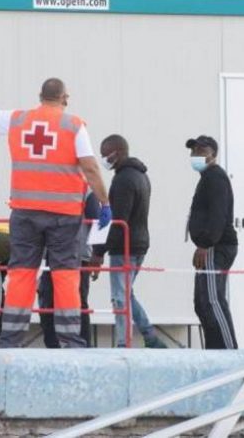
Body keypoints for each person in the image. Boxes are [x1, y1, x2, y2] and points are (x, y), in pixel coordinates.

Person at [0, 77, 111, 348]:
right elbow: (90, 167)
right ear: (65, 98)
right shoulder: (73, 125)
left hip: (25, 212)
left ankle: (9, 339)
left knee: (21, 273)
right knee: (65, 274)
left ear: (40, 96)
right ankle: (71, 340)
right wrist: (104, 202)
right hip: (63, 215)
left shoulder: (19, 119)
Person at [91, 134, 166, 348]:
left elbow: (117, 220)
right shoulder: (141, 176)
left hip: (124, 246)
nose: (104, 159)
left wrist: (98, 252)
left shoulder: (124, 179)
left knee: (119, 298)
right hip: (139, 243)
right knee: (126, 293)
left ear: (118, 152)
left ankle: (124, 344)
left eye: (106, 154)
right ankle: (150, 336)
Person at [186, 135, 238, 350]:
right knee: (202, 303)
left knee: (212, 300)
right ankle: (214, 349)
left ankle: (228, 351)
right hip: (210, 245)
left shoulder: (215, 177)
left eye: (202, 151)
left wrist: (206, 244)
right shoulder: (207, 177)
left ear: (213, 155)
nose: (196, 155)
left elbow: (218, 214)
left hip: (216, 246)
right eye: (194, 151)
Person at [39, 192, 99, 348]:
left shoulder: (87, 192)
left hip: (76, 256)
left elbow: (97, 222)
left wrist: (98, 255)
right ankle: (54, 346)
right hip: (55, 255)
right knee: (48, 301)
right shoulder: (53, 189)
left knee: (77, 302)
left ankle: (82, 346)